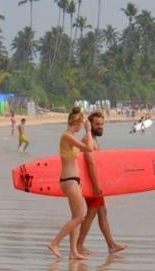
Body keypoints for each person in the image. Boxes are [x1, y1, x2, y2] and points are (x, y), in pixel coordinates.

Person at [76, 111, 126, 256]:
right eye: (97, 124)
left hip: (94, 181)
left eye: (102, 124)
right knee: (92, 212)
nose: (100, 126)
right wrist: (97, 185)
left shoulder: (93, 139)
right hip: (91, 182)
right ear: (90, 124)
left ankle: (111, 245)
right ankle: (79, 245)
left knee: (101, 211)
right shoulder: (87, 138)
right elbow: (90, 163)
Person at [47, 107, 94, 260]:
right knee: (80, 217)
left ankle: (73, 252)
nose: (82, 126)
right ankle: (55, 242)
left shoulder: (70, 139)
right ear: (77, 123)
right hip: (69, 180)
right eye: (82, 123)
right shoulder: (66, 137)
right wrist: (89, 131)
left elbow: (82, 149)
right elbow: (89, 148)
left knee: (75, 216)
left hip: (74, 180)